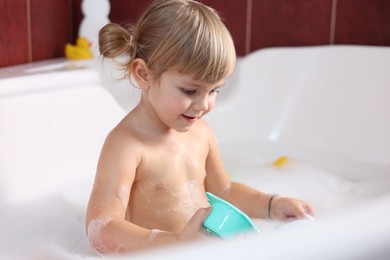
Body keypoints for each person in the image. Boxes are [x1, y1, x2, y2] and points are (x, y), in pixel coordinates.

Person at [86, 0, 316, 255]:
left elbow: (224, 191)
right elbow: (101, 229)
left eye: (214, 90)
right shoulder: (127, 145)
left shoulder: (200, 133)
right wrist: (173, 243)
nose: (203, 104)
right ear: (143, 74)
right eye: (190, 90)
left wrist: (271, 204)